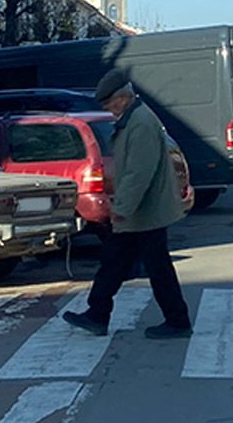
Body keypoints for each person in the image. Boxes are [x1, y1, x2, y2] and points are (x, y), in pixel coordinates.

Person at [62, 68, 192, 340]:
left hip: (144, 211)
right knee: (118, 262)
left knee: (149, 266)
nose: (108, 109)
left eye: (109, 102)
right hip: (142, 210)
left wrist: (122, 208)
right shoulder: (135, 119)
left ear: (123, 97)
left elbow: (138, 172)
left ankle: (176, 320)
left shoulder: (140, 123)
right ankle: (98, 313)